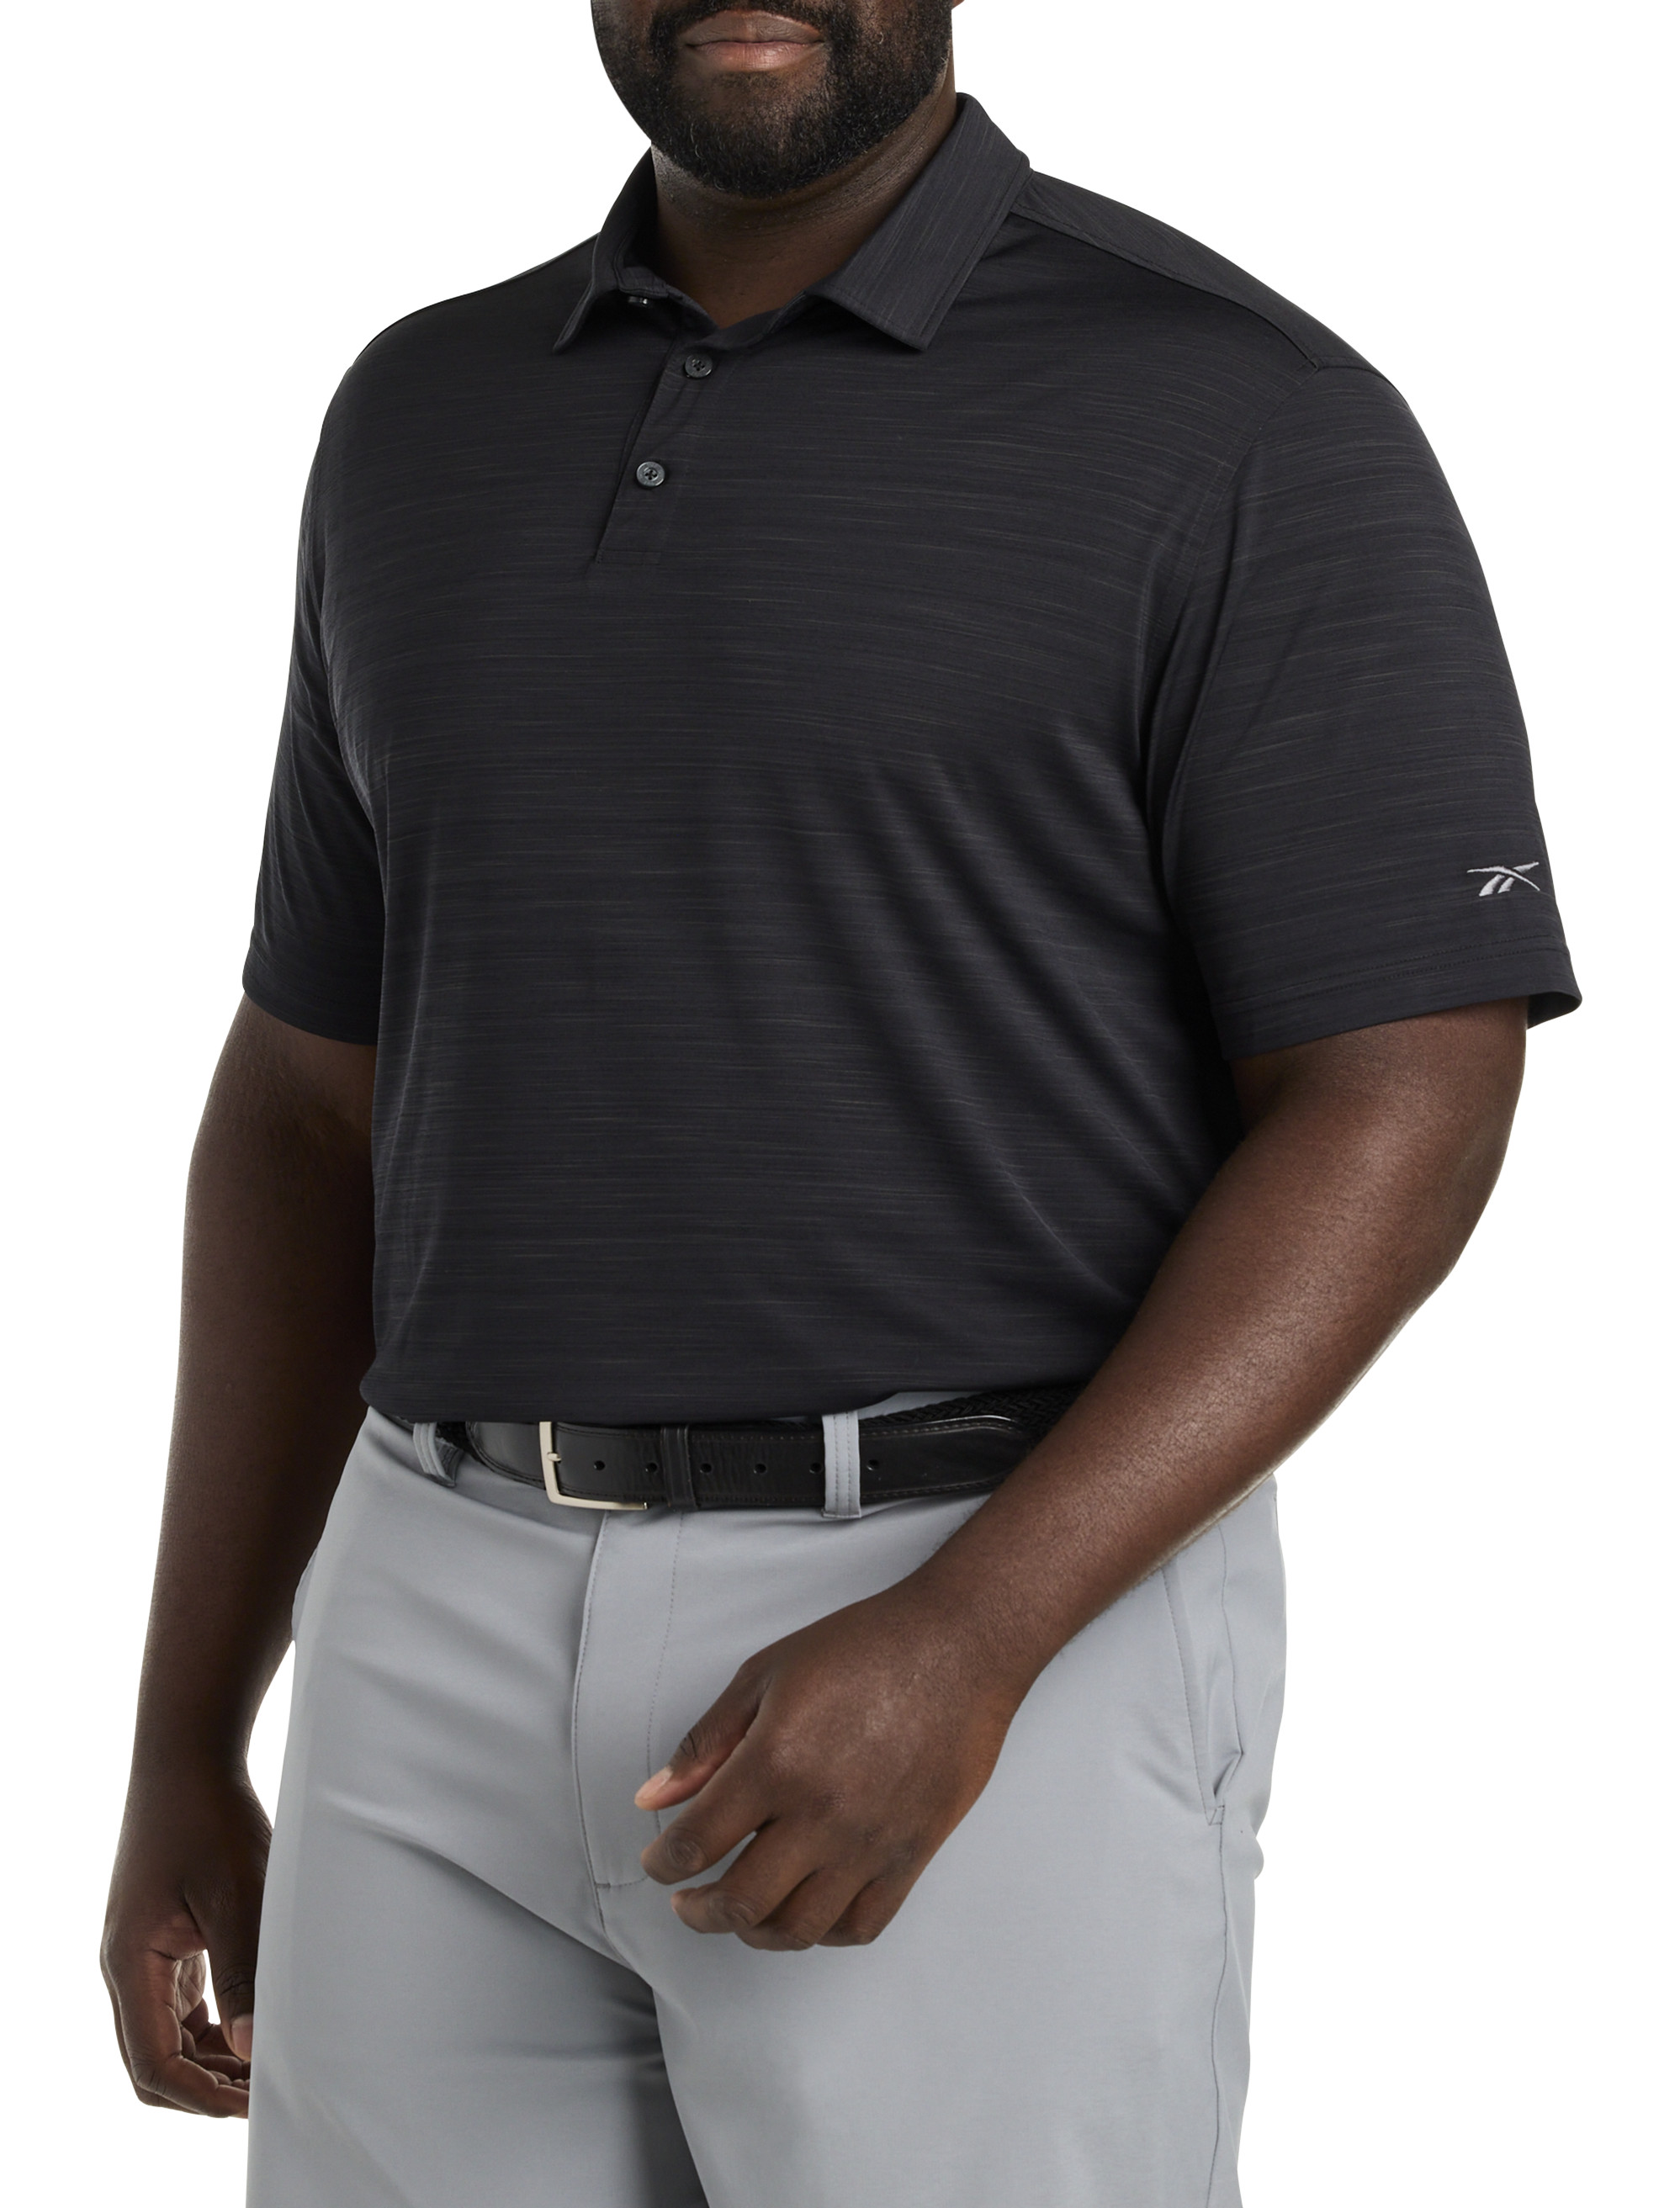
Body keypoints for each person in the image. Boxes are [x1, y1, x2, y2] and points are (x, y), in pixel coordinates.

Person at [101, 5, 1578, 2204]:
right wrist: (183, 1738)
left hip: (981, 1601)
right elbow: (310, 1102)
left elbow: (1409, 1088)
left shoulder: (1244, 414)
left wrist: (975, 1633)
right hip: (425, 1592)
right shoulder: (419, 415)